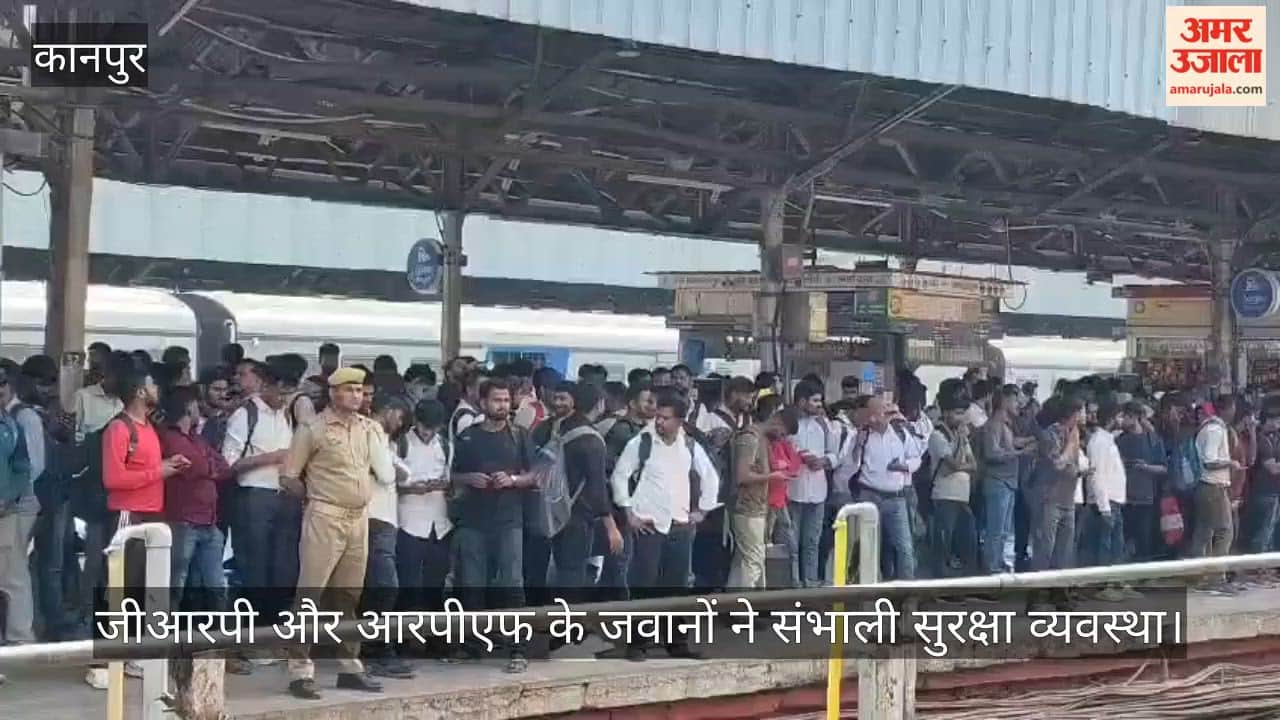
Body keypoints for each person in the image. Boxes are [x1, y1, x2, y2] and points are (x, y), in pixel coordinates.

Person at [280, 367, 389, 699]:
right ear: (333, 393)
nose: (357, 395)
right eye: (350, 389)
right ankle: (300, 670)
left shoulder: (369, 428)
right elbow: (288, 477)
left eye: (360, 390)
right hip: (325, 515)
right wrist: (315, 500)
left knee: (348, 595)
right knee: (310, 593)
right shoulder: (312, 429)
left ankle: (349, 666)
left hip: (358, 518)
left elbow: (382, 471)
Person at [608, 390, 719, 660]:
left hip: (680, 526)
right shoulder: (641, 442)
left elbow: (711, 478)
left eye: (666, 418)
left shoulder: (690, 445)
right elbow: (619, 477)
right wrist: (629, 514)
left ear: (680, 420)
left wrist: (703, 510)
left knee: (678, 588)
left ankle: (676, 643)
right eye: (658, 416)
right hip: (648, 525)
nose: (659, 422)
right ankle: (637, 644)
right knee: (644, 586)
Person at [450, 378, 537, 673]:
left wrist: (512, 480)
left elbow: (535, 475)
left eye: (505, 400)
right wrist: (468, 479)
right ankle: (473, 646)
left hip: (509, 520)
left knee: (512, 583)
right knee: (472, 584)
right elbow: (452, 475)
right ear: (483, 403)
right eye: (496, 400)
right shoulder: (468, 437)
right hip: (473, 520)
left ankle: (517, 649)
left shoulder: (521, 435)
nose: (502, 405)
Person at [223, 361, 297, 616]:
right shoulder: (245, 415)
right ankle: (253, 625)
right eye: (281, 391)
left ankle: (273, 621)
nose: (284, 397)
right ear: (266, 386)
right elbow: (229, 464)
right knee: (255, 564)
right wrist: (272, 457)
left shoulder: (285, 416)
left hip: (283, 496)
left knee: (281, 564)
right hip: (253, 496)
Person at [157, 387, 236, 616]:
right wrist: (207, 467)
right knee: (176, 583)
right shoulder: (171, 438)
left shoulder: (197, 439)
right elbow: (197, 468)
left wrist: (206, 468)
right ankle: (166, 635)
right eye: (195, 404)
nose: (199, 408)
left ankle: (217, 638)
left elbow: (223, 467)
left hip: (208, 521)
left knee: (215, 583)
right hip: (183, 521)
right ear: (187, 407)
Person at [362, 393, 413, 679]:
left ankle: (375, 648)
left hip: (383, 519)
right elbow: (388, 473)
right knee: (384, 587)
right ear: (390, 410)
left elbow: (405, 471)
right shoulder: (371, 432)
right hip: (374, 518)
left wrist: (395, 470)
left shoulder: (380, 437)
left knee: (377, 588)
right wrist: (393, 470)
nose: (401, 424)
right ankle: (378, 649)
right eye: (401, 417)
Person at [849, 396, 922, 581]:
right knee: (868, 545)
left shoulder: (900, 433)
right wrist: (858, 444)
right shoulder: (862, 435)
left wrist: (904, 467)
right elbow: (852, 464)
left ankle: (908, 592)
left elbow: (916, 458)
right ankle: (869, 587)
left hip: (895, 497)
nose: (876, 419)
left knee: (904, 547)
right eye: (873, 414)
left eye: (882, 412)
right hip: (869, 495)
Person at [597, 382, 654, 601]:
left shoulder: (641, 430)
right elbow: (611, 469)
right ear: (632, 403)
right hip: (622, 505)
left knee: (622, 562)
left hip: (633, 504)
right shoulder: (622, 430)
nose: (652, 405)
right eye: (647, 401)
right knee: (622, 561)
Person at [395, 399, 452, 619]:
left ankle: (433, 638)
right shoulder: (401, 444)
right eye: (425, 427)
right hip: (408, 522)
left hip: (440, 523)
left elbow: (448, 479)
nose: (429, 433)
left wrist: (443, 485)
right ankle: (403, 637)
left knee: (435, 585)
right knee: (407, 584)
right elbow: (388, 484)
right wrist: (410, 489)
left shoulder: (445, 445)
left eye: (434, 428)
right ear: (416, 421)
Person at [727, 397, 791, 589]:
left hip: (754, 506)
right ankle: (743, 610)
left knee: (745, 560)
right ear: (776, 420)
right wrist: (772, 476)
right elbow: (741, 475)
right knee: (753, 560)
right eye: (782, 432)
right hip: (746, 507)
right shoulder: (750, 438)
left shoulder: (759, 438)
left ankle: (734, 605)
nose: (781, 437)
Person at [788, 380, 839, 587]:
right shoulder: (790, 423)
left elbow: (836, 453)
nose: (819, 405)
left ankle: (810, 583)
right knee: (792, 543)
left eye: (820, 400)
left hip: (818, 491)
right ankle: (792, 583)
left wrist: (825, 461)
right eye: (815, 400)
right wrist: (804, 457)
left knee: (812, 542)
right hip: (793, 490)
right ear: (801, 401)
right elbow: (786, 448)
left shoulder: (825, 425)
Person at [1028, 397, 1084, 574]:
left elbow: (1071, 466)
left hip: (1067, 498)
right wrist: (1071, 445)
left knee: (1064, 550)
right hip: (1050, 497)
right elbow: (1058, 464)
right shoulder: (1051, 434)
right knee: (1045, 547)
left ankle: (1058, 592)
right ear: (1073, 414)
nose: (1084, 415)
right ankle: (1037, 592)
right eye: (1081, 411)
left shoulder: (1073, 434)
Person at [0, 365, 35, 647]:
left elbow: (24, 468)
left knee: (12, 579)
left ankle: (20, 641)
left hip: (5, 513)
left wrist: (7, 498)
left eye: (2, 384)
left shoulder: (12, 425)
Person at [981, 385, 1033, 574]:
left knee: (1003, 530)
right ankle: (990, 566)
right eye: (1013, 399)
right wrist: (1019, 452)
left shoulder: (1004, 425)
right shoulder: (993, 424)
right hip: (998, 481)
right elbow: (992, 453)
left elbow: (1010, 444)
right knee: (995, 529)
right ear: (1003, 401)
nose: (1017, 403)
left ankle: (998, 560)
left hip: (1008, 482)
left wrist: (1026, 442)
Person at [1190, 399, 1240, 578]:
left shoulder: (1210, 428)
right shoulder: (1215, 430)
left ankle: (1197, 575)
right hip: (1213, 487)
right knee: (1225, 531)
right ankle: (1216, 577)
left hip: (1207, 487)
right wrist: (1230, 463)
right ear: (1228, 409)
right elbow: (1209, 462)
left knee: (1204, 532)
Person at [929, 395, 978, 578]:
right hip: (944, 495)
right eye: (957, 413)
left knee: (969, 537)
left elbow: (974, 465)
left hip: (962, 495)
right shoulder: (938, 435)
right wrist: (960, 439)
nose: (961, 417)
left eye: (962, 413)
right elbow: (954, 464)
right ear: (947, 413)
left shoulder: (962, 437)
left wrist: (962, 442)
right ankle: (939, 579)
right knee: (943, 541)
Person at [1081, 404, 1130, 576]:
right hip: (1106, 502)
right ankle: (1104, 584)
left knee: (1116, 545)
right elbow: (1097, 475)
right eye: (1120, 416)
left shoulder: (1108, 440)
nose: (1122, 420)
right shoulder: (1099, 442)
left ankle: (1114, 582)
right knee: (1105, 546)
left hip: (1114, 500)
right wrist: (1104, 508)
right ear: (1111, 418)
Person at [1117, 401, 1166, 563]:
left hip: (1145, 498)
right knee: (1123, 540)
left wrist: (1146, 468)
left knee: (1144, 540)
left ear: (1135, 417)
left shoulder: (1152, 440)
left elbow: (1164, 468)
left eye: (1126, 416)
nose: (1122, 420)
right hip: (1124, 498)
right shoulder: (1120, 440)